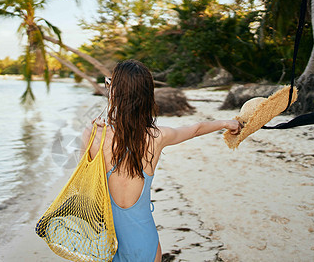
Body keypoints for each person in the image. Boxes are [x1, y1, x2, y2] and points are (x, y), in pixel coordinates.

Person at [81, 60, 241, 262]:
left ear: (114, 91)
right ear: (146, 96)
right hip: (145, 241)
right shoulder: (156, 137)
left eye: (110, 82)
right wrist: (227, 123)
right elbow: (196, 128)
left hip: (106, 241)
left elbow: (83, 183)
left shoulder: (94, 132)